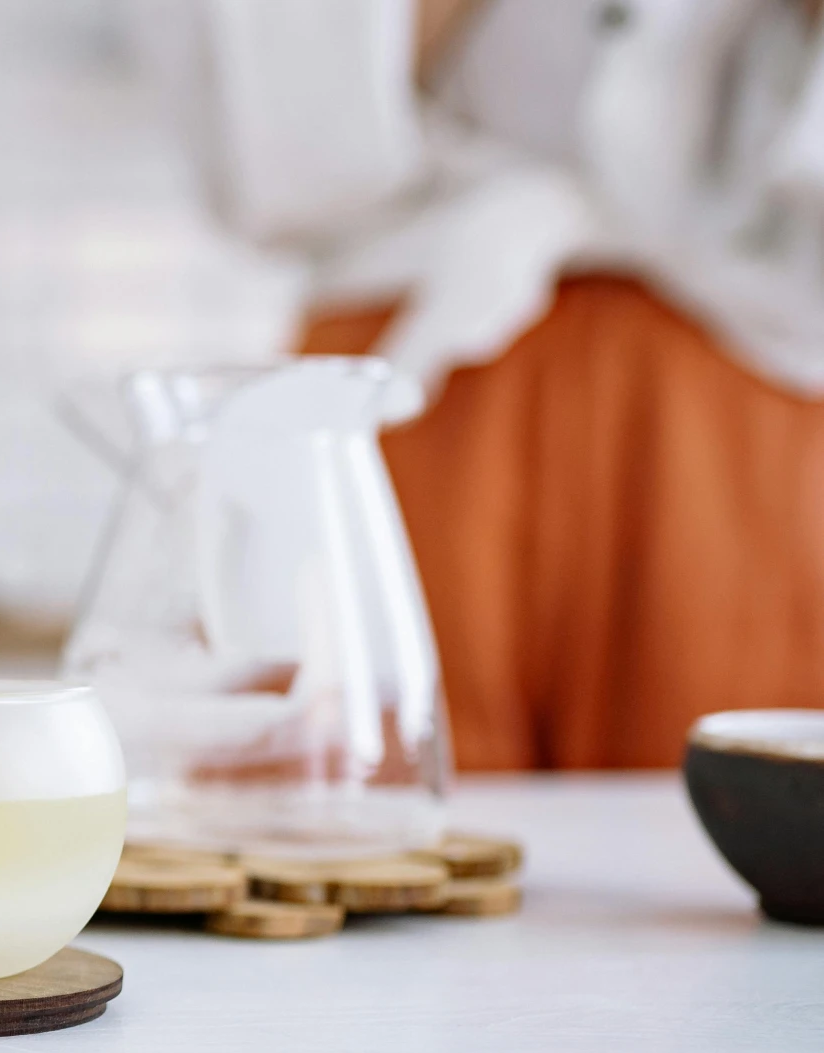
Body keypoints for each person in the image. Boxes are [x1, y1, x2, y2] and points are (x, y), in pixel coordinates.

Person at [128, 0, 824, 768]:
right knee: (331, 835)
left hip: (762, 389)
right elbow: (259, 144)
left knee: (728, 854)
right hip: (406, 377)